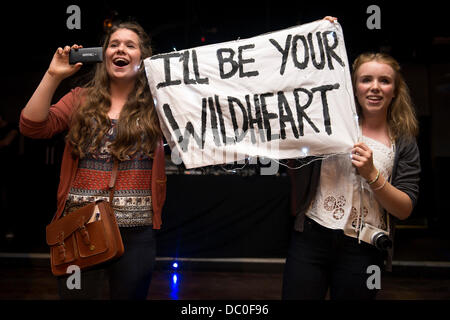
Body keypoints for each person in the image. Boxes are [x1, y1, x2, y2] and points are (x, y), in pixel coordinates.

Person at [19, 21, 167, 300]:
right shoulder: (79, 99)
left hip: (136, 235)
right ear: (103, 54)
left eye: (130, 45)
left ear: (143, 58)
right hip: (79, 230)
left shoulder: (158, 104)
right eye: (114, 44)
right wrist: (53, 75)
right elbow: (31, 126)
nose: (120, 49)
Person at [282, 49, 421, 299]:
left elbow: (404, 209)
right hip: (311, 239)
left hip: (364, 250)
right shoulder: (327, 122)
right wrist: (320, 44)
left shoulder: (404, 141)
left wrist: (372, 174)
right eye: (366, 79)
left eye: (384, 81)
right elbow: (301, 87)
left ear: (395, 89)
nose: (375, 87)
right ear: (353, 86)